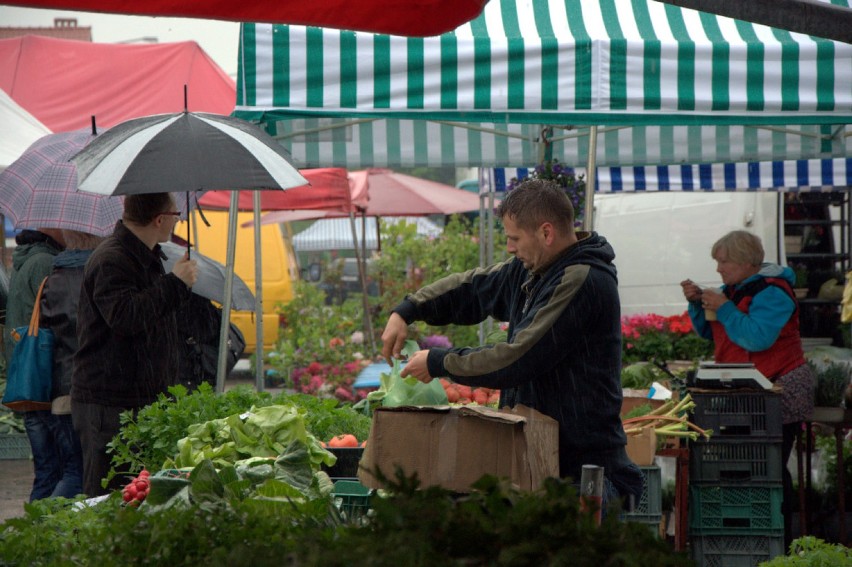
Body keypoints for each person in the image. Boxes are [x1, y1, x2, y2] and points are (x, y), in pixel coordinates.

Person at [381, 179, 644, 508]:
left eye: (514, 238)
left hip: (582, 474)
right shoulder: (532, 269)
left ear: (546, 233)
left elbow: (517, 359)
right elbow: (475, 288)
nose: (509, 247)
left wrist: (438, 362)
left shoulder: (582, 280)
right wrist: (408, 310)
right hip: (539, 461)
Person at [680, 229, 814, 547]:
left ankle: (780, 536)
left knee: (769, 465)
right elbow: (713, 334)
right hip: (746, 389)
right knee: (746, 465)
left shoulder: (773, 292)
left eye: (723, 261)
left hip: (779, 388)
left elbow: (757, 337)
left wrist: (725, 307)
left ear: (744, 261)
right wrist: (698, 305)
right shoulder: (734, 289)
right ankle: (747, 532)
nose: (718, 269)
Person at [71, 193, 198, 496]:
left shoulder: (148, 255)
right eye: (175, 213)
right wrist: (175, 283)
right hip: (110, 404)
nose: (178, 219)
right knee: (110, 496)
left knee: (140, 495)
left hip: (142, 400)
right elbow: (126, 317)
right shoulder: (112, 259)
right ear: (160, 219)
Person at [37, 230, 105, 499]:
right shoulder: (98, 277)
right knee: (82, 474)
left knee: (72, 470)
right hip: (90, 388)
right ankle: (42, 528)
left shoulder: (55, 278)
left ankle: (45, 527)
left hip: (61, 388)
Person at [3, 228, 66, 501]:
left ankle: (34, 533)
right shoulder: (43, 262)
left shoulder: (23, 261)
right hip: (44, 379)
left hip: (29, 379)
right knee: (60, 469)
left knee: (46, 469)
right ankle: (40, 532)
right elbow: (55, 313)